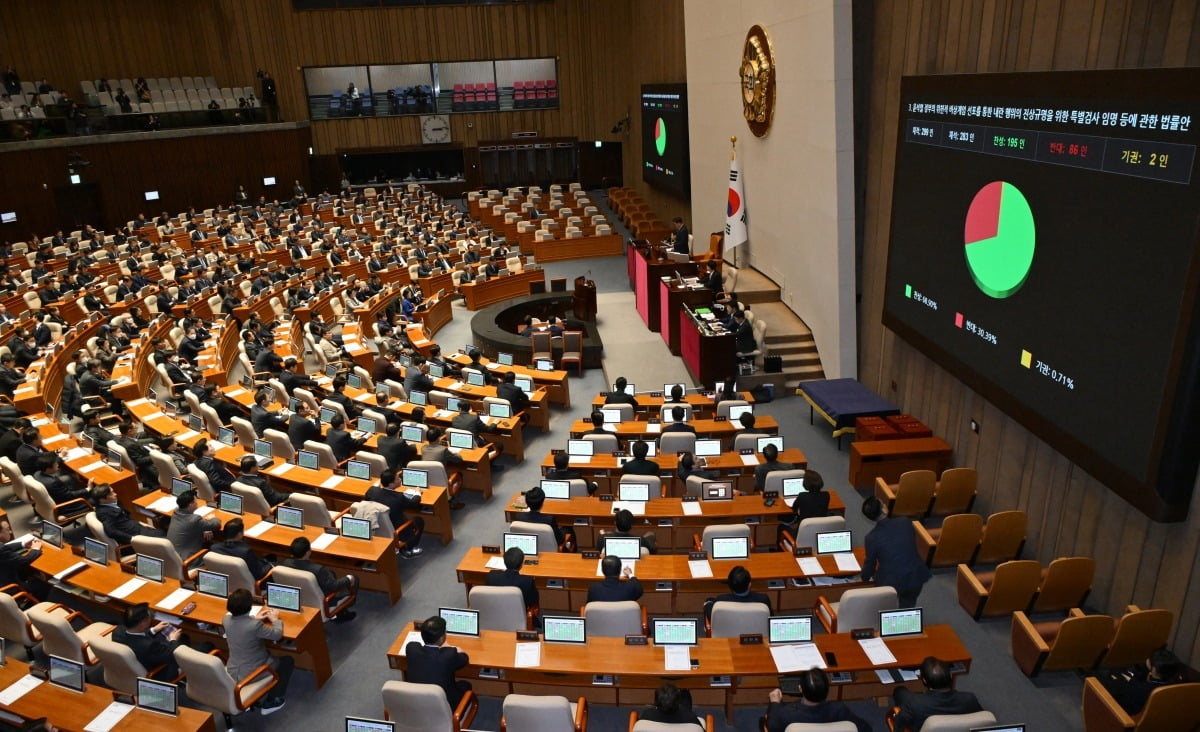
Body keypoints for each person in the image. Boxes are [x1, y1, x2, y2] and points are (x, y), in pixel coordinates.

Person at [224, 588, 291, 715]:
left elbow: (243, 626)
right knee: (287, 662)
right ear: (249, 606)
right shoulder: (254, 626)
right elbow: (276, 635)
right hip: (252, 672)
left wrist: (255, 618)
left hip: (233, 670)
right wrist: (275, 620)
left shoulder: (225, 620)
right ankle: (273, 700)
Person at [861, 496, 931, 607]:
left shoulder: (871, 538)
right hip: (915, 575)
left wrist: (864, 577)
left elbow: (870, 563)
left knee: (885, 607)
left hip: (891, 582)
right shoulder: (905, 522)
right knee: (908, 604)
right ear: (884, 509)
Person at [891, 657, 983, 731]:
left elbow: (899, 724)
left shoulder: (915, 703)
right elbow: (982, 720)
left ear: (924, 681)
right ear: (950, 676)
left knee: (900, 691)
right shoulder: (969, 699)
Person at [764, 668, 871, 732]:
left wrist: (775, 703)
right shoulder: (839, 709)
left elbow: (772, 727)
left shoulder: (786, 713)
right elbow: (865, 729)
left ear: (800, 689)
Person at [282, 537, 358, 623]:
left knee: (331, 573)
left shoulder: (285, 563)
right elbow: (333, 586)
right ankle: (342, 611)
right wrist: (348, 578)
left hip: (299, 598)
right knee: (354, 578)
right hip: (324, 601)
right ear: (308, 552)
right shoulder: (318, 570)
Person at [1099, 647, 1185, 717]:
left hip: (1125, 718)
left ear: (1154, 669)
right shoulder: (1179, 688)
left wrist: (1127, 682)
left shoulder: (1139, 689)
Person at [405, 615, 471, 707]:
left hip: (417, 701)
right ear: (442, 638)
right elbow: (465, 659)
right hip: (445, 704)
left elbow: (416, 646)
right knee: (466, 685)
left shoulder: (411, 648)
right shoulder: (449, 654)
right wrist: (455, 648)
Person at [113, 602, 187, 680]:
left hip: (138, 660)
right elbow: (170, 655)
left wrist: (152, 630)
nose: (151, 619)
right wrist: (173, 639)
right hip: (160, 672)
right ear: (142, 623)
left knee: (160, 636)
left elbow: (135, 635)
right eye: (149, 618)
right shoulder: (149, 646)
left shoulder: (117, 631)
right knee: (184, 640)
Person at [365, 469, 425, 557]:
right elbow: (414, 503)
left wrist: (378, 485)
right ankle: (409, 549)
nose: (400, 480)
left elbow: (370, 494)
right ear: (391, 484)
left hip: (377, 526)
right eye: (397, 479)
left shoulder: (372, 491)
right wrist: (417, 493)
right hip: (398, 530)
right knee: (419, 521)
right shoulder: (398, 497)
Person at [91, 483, 164, 545]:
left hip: (136, 528)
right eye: (111, 494)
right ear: (102, 500)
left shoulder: (112, 503)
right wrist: (132, 539)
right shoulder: (104, 513)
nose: (115, 494)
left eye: (113, 491)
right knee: (165, 537)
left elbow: (125, 517)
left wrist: (139, 522)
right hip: (135, 537)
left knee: (162, 531)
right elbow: (111, 531)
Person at [0, 517, 49, 602]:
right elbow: (24, 560)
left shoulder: (2, 548)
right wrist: (36, 549)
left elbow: (5, 547)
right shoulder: (1, 550)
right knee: (44, 585)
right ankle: (34, 603)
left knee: (29, 573)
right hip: (9, 588)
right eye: (7, 529)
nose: (11, 532)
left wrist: (23, 544)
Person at [166, 490, 220, 561]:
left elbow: (190, 526)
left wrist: (202, 528)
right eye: (195, 501)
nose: (197, 502)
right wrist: (213, 518)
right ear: (190, 505)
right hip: (188, 560)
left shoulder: (176, 512)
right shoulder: (194, 520)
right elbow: (216, 525)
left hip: (172, 556)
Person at [703, 565, 772, 619]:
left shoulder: (721, 601)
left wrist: (708, 602)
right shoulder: (763, 600)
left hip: (728, 636)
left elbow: (712, 614)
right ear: (749, 584)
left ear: (729, 585)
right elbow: (770, 617)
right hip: (757, 635)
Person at [778, 470, 828, 543]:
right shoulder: (826, 495)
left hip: (801, 534)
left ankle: (779, 550)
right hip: (819, 532)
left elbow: (794, 508)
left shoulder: (802, 496)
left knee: (781, 527)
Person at [485, 546, 538, 611]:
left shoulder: (491, 576)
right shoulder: (528, 582)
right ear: (521, 564)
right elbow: (534, 603)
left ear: (504, 562)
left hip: (496, 613)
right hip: (519, 617)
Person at [519, 486, 572, 550]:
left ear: (527, 503)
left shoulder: (519, 517)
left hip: (530, 547)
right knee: (568, 529)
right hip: (550, 549)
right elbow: (560, 540)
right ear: (542, 502)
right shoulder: (549, 520)